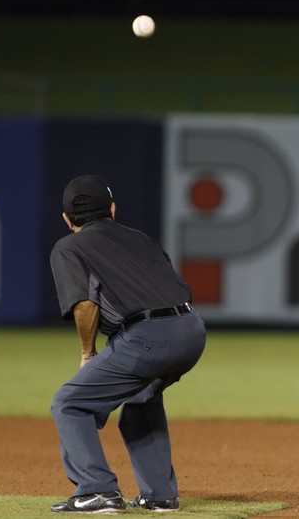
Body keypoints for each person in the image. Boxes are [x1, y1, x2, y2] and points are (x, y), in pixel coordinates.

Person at [49, 175, 206, 513]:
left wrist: (88, 353)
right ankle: (160, 495)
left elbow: (84, 303)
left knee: (70, 403)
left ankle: (97, 491)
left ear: (67, 219)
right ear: (112, 209)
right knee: (141, 398)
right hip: (192, 329)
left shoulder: (69, 246)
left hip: (148, 338)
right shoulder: (140, 237)